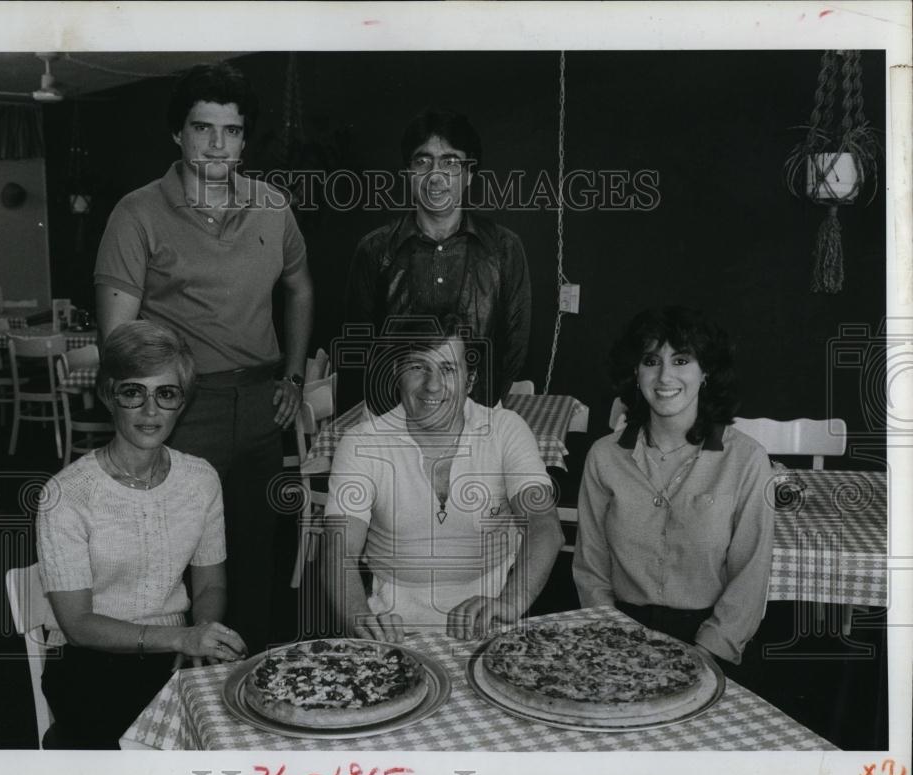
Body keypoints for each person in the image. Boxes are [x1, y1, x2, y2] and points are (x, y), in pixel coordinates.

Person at [93, 62, 314, 651]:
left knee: (255, 554)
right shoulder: (136, 213)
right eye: (202, 128)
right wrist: (148, 410)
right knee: (177, 556)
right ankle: (176, 690)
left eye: (232, 130)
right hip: (183, 408)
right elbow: (119, 345)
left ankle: (251, 684)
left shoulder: (273, 207)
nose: (217, 144)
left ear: (245, 137)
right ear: (178, 134)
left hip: (262, 403)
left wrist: (293, 374)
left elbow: (300, 287)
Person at [36, 321, 247, 749]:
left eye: (166, 394)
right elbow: (77, 625)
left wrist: (202, 630)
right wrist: (179, 637)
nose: (150, 412)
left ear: (182, 402)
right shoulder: (65, 494)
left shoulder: (200, 479)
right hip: (91, 662)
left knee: (242, 727)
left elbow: (211, 583)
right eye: (133, 392)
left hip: (174, 655)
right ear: (107, 395)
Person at [321, 314, 563, 641]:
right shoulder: (362, 442)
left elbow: (544, 525)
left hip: (491, 620)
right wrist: (361, 619)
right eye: (418, 367)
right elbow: (339, 548)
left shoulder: (506, 429)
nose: (433, 385)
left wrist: (509, 603)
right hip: (392, 628)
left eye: (448, 369)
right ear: (397, 373)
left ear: (470, 378)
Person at [572, 306, 774, 670]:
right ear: (636, 372)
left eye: (681, 360)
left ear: (706, 371)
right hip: (618, 633)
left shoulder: (747, 460)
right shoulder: (603, 457)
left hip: (711, 639)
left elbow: (751, 575)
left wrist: (709, 651)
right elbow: (591, 566)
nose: (665, 376)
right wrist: (609, 634)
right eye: (651, 361)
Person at [344, 108, 531, 410]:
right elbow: (359, 346)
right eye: (422, 161)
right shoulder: (375, 250)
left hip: (477, 416)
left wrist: (473, 409)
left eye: (450, 162)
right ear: (408, 173)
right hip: (395, 420)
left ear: (470, 174)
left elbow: (514, 348)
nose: (436, 175)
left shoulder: (504, 249)